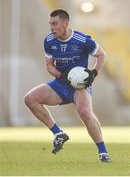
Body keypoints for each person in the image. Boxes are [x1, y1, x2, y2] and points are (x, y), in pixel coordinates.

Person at [24, 9, 111, 162]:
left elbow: (101, 55)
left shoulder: (82, 40)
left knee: (85, 112)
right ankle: (58, 133)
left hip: (79, 86)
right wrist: (63, 76)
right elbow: (49, 66)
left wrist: (93, 73)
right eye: (50, 23)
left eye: (55, 23)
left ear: (65, 23)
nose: (51, 27)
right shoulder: (49, 41)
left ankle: (103, 152)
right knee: (30, 99)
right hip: (60, 83)